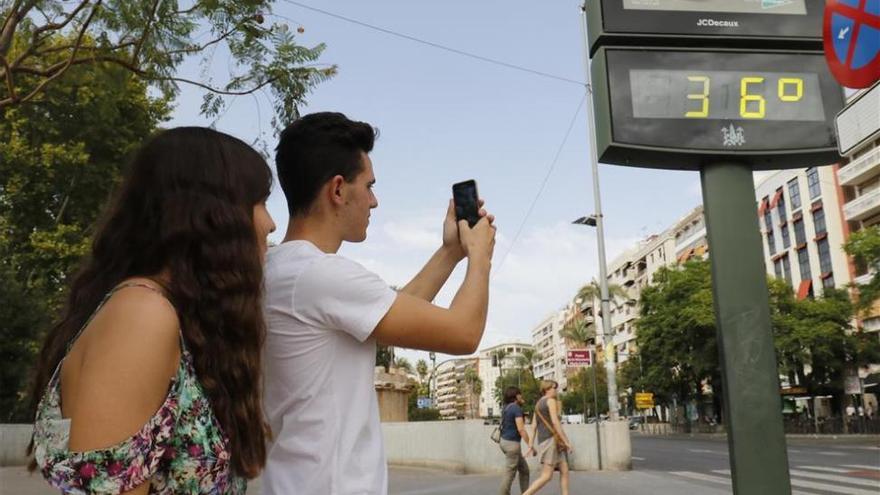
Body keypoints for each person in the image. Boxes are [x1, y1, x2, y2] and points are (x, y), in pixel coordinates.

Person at [27, 127, 276, 494]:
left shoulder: (167, 316)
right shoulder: (141, 315)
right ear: (213, 215)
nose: (270, 223)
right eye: (260, 202)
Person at [262, 112, 496, 494]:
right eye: (368, 186)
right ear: (338, 190)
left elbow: (390, 314)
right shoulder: (320, 275)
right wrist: (480, 256)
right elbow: (464, 332)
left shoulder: (279, 270)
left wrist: (450, 252)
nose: (374, 201)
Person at [522, 380, 573, 495]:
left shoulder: (538, 404)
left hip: (549, 441)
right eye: (554, 387)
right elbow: (555, 422)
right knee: (546, 476)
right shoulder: (550, 401)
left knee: (564, 470)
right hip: (550, 441)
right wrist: (566, 441)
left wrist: (530, 444)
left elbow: (534, 425)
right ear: (546, 389)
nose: (556, 390)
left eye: (556, 387)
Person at [498, 387, 531, 495]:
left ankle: (525, 493)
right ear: (516, 396)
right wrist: (530, 445)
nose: (522, 396)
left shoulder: (506, 408)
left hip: (504, 442)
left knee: (524, 470)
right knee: (509, 474)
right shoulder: (516, 408)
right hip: (512, 445)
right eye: (520, 394)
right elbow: (521, 429)